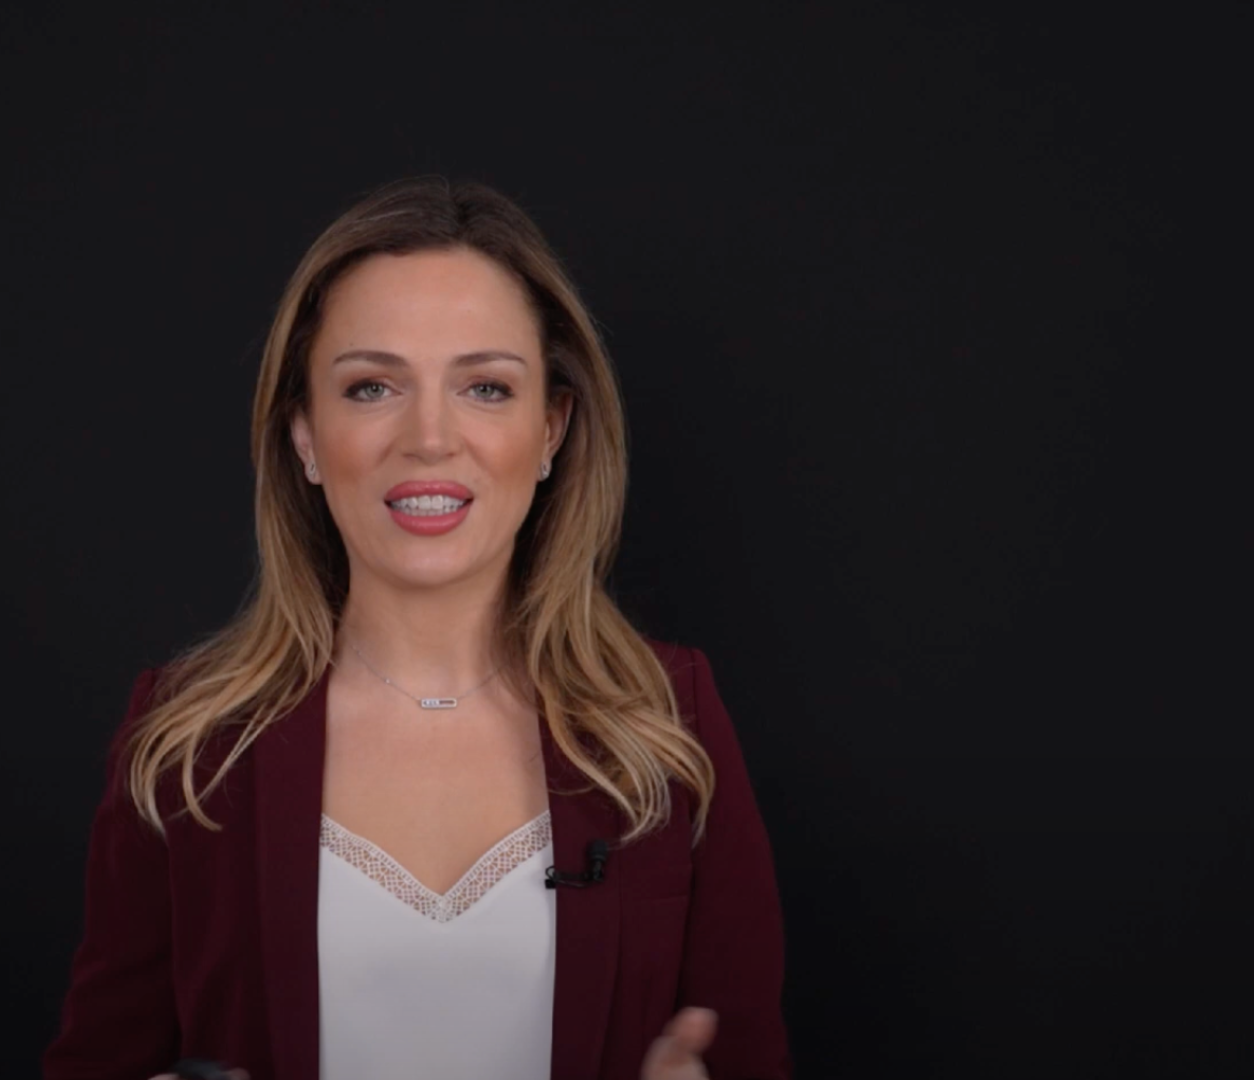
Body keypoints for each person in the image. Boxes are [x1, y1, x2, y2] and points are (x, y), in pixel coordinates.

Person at [41, 177, 789, 1080]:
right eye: (370, 387)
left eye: (485, 387)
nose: (430, 437)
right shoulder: (187, 745)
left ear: (551, 429)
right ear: (304, 435)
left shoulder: (672, 724)